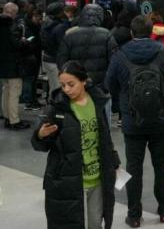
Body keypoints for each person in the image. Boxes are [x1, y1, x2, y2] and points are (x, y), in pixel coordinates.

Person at [105, 16, 164, 227]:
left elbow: (109, 84)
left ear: (131, 32)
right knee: (162, 167)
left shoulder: (120, 56)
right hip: (161, 121)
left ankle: (134, 215)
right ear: (152, 31)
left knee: (134, 168)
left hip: (132, 123)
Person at [31, 61, 120, 229]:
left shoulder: (98, 102)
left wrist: (114, 162)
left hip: (98, 179)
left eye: (71, 84)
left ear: (84, 81)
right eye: (63, 85)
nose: (66, 90)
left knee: (95, 223)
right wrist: (40, 135)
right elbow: (39, 144)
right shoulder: (56, 107)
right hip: (67, 181)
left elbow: (105, 137)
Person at [57, 4, 118, 92]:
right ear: (100, 17)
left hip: (76, 84)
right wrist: (107, 84)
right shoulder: (106, 34)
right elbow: (114, 61)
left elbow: (61, 61)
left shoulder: (70, 35)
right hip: (100, 85)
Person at [1, 2, 30, 130]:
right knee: (14, 93)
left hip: (1, 64)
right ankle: (14, 121)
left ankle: (7, 117)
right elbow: (15, 45)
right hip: (12, 64)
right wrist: (24, 42)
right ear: (13, 12)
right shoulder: (9, 26)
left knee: (5, 91)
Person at [41, 2, 71, 93]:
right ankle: (55, 106)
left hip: (48, 58)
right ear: (58, 12)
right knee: (57, 89)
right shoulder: (58, 26)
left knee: (53, 86)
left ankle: (51, 104)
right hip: (55, 60)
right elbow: (62, 44)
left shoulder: (46, 23)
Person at [19, 8, 43, 110]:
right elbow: (30, 43)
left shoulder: (30, 26)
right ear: (32, 16)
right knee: (29, 80)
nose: (40, 19)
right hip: (30, 57)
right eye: (38, 17)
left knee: (31, 79)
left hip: (32, 56)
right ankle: (29, 102)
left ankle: (31, 100)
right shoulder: (29, 28)